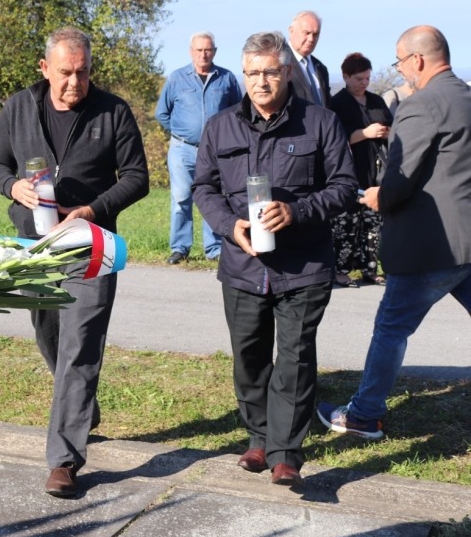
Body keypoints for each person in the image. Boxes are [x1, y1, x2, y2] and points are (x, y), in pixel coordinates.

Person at [0, 27, 149, 498]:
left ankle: (63, 460)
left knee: (80, 346)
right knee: (49, 335)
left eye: (82, 73)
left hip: (90, 246)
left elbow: (137, 177)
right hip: (34, 248)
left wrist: (93, 210)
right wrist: (11, 186)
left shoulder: (113, 111)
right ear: (44, 68)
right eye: (64, 73)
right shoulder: (18, 107)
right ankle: (81, 406)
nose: (74, 83)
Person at [192, 31, 357, 486]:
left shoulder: (320, 122)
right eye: (251, 73)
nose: (260, 81)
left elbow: (344, 187)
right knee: (249, 357)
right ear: (242, 74)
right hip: (242, 265)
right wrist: (229, 226)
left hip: (303, 265)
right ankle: (259, 438)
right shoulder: (220, 126)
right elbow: (203, 188)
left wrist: (297, 210)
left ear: (285, 71)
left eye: (268, 71)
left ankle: (286, 452)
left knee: (296, 358)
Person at [318, 26, 471, 440]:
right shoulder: (466, 96)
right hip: (468, 241)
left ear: (417, 60)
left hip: (429, 246)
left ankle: (364, 414)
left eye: (400, 62)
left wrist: (376, 198)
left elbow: (400, 181)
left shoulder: (421, 105)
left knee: (391, 329)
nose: (401, 70)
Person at [154, 31, 242, 264]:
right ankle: (180, 248)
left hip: (215, 151)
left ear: (214, 51)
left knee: (213, 197)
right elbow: (161, 113)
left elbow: (238, 112)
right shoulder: (176, 78)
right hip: (183, 150)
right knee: (181, 198)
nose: (204, 54)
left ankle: (215, 249)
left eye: (208, 50)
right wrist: (181, 131)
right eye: (199, 50)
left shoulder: (227, 78)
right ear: (191, 51)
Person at [328, 53, 391, 287]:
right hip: (350, 171)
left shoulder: (376, 101)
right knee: (346, 224)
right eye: (358, 79)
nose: (363, 83)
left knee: (373, 225)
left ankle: (370, 268)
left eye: (367, 78)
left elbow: (391, 126)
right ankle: (341, 270)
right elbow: (337, 138)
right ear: (345, 77)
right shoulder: (338, 103)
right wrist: (365, 133)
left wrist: (385, 132)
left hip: (376, 171)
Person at [287, 11, 330, 106]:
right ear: (291, 31)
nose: (311, 39)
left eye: (315, 34)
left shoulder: (321, 68)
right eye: (306, 33)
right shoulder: (280, 64)